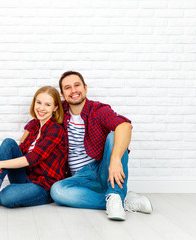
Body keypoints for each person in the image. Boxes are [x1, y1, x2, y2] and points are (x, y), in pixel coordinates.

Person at [50, 71, 153, 220]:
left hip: (104, 168)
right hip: (80, 178)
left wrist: (115, 159)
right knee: (57, 191)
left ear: (85, 88)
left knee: (114, 134)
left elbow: (125, 126)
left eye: (77, 85)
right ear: (62, 93)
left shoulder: (98, 110)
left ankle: (115, 194)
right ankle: (119, 199)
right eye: (68, 87)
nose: (73, 91)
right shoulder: (60, 112)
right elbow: (38, 121)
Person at [0, 86, 68, 209]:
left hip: (43, 186)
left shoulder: (56, 130)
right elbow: (19, 151)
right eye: (38, 102)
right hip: (27, 178)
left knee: (7, 197)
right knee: (9, 143)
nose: (41, 108)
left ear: (55, 107)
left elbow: (32, 158)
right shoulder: (35, 126)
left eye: (47, 105)